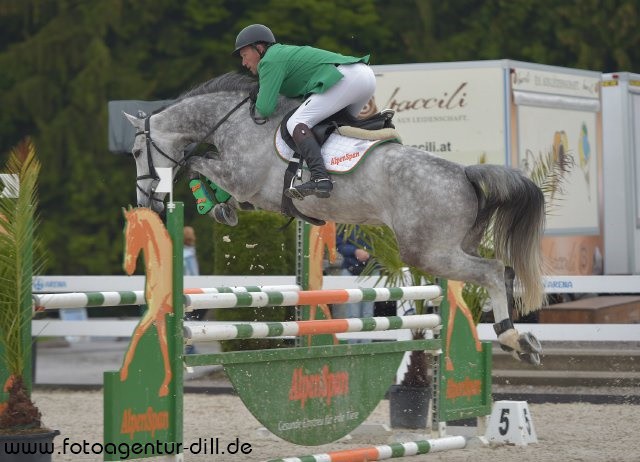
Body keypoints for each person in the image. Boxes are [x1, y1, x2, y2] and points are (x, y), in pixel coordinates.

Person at [233, 24, 376, 199]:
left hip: (347, 78)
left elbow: (264, 110)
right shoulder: (280, 55)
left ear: (259, 48)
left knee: (295, 123)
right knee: (335, 130)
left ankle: (320, 177)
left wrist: (259, 95)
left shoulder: (269, 60)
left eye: (245, 55)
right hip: (364, 76)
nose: (243, 63)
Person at [334, 228, 375, 321]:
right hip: (350, 267)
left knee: (368, 311)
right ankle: (354, 333)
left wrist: (370, 253)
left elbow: (384, 244)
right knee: (352, 311)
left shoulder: (377, 222)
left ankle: (366, 333)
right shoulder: (345, 223)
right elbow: (338, 245)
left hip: (371, 268)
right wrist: (355, 251)